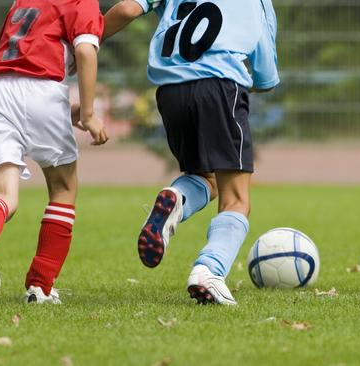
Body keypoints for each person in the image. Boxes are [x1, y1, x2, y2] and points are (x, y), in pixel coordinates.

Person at [104, 0, 279, 305]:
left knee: (205, 178)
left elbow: (126, 10)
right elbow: (265, 76)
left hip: (170, 90)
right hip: (219, 85)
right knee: (236, 199)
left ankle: (176, 200)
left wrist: (85, 47)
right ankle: (209, 270)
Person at [0, 0, 107, 304]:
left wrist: (66, 109)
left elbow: (26, 60)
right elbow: (85, 51)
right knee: (64, 188)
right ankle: (41, 286)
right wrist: (89, 113)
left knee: (3, 196)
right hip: (42, 89)